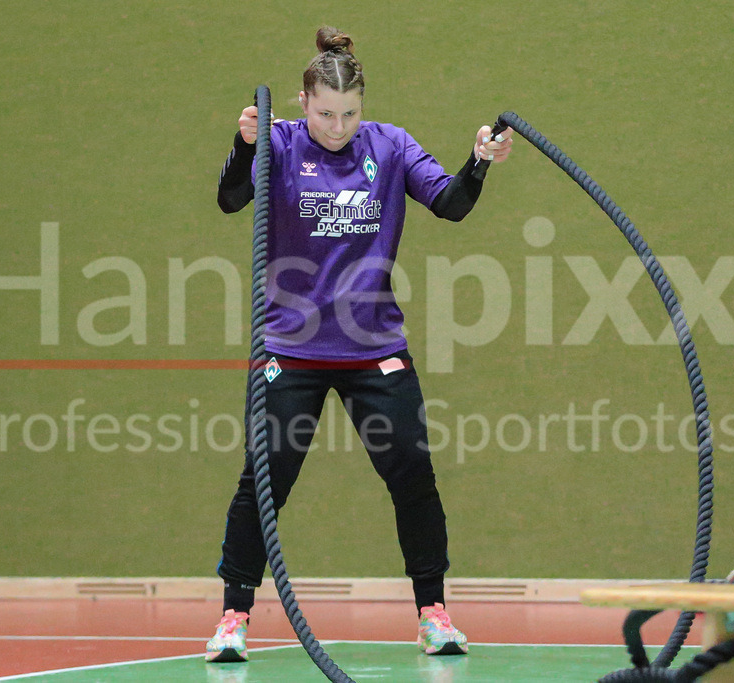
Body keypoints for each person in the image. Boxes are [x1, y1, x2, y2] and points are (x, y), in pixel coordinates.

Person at [206, 26, 513, 663]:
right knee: (265, 480)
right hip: (290, 349)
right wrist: (242, 149)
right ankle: (233, 618)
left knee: (413, 475)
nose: (338, 127)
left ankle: (433, 613)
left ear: (362, 109)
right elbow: (230, 199)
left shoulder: (390, 147)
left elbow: (451, 205)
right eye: (325, 114)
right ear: (300, 102)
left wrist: (478, 162)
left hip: (374, 347)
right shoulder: (278, 142)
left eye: (349, 114)